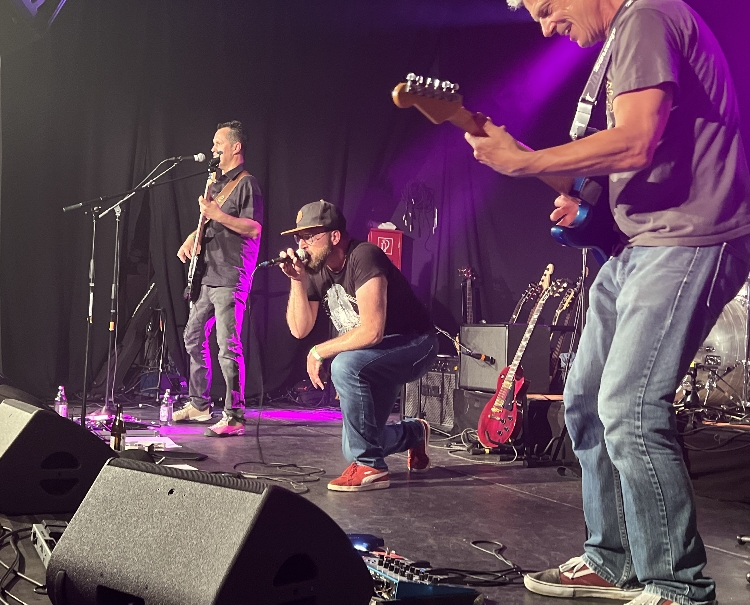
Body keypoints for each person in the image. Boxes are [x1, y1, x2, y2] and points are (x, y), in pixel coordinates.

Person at [465, 1, 750, 604]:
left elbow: (638, 141)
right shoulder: (622, 40)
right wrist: (521, 158)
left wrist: (527, 160)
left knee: (629, 407)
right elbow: (597, 177)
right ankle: (614, 560)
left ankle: (677, 586)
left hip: (688, 237)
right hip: (637, 245)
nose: (546, 27)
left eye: (547, 8)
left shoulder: (646, 16)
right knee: (586, 400)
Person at [279, 200, 439, 491]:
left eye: (310, 237)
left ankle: (371, 467)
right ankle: (414, 433)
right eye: (299, 238)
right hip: (375, 354)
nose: (302, 245)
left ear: (334, 236)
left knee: (343, 364)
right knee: (355, 444)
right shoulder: (316, 270)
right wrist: (298, 281)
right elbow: (299, 329)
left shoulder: (364, 256)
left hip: (415, 344)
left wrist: (319, 351)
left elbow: (372, 331)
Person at [174, 120, 262, 437]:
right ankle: (199, 404)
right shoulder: (215, 183)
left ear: (235, 147)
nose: (212, 148)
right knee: (192, 337)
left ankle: (234, 415)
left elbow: (253, 228)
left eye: (218, 143)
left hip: (230, 275)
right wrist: (191, 238)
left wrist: (218, 215)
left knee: (227, 346)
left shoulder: (247, 184)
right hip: (207, 275)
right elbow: (209, 222)